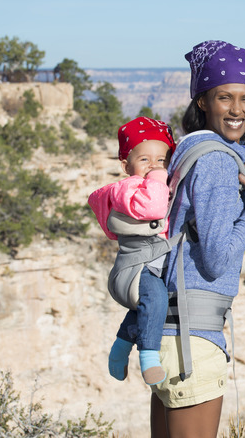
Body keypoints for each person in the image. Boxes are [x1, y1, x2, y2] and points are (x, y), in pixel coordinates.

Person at [149, 40, 245, 438]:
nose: (237, 110)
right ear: (203, 100)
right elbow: (217, 258)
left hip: (168, 335)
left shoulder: (188, 148)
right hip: (194, 344)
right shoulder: (218, 160)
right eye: (224, 97)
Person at [88, 116, 177, 386]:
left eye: (161, 160)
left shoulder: (143, 187)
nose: (153, 166)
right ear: (126, 165)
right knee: (158, 300)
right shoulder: (129, 188)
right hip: (140, 267)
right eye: (144, 160)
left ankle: (118, 351)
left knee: (144, 311)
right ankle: (149, 356)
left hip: (147, 264)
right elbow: (153, 209)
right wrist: (160, 178)